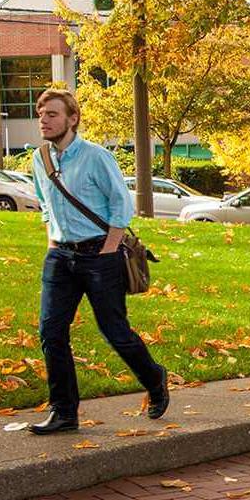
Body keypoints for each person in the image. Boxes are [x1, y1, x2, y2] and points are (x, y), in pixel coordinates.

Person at [27, 88, 169, 435]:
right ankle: (64, 413)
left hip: (99, 257)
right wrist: (52, 239)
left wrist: (107, 249)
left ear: (72, 119)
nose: (44, 120)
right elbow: (45, 203)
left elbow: (121, 205)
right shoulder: (39, 159)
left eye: (53, 114)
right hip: (60, 256)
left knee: (114, 331)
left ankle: (154, 379)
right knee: (51, 332)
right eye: (41, 114)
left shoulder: (96, 157)